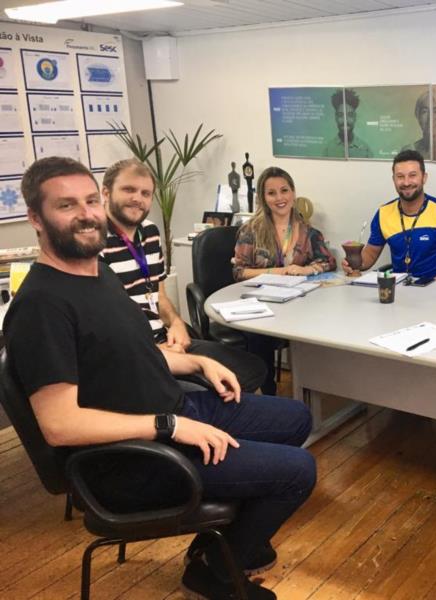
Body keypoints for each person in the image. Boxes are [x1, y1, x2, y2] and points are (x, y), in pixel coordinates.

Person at [4, 156, 316, 600]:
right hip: (135, 459)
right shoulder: (42, 307)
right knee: (298, 471)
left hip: (173, 408)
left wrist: (198, 364)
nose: (87, 213)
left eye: (90, 200)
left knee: (295, 419)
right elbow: (60, 425)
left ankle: (223, 541)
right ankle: (214, 572)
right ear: (36, 218)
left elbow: (131, 354)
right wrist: (169, 427)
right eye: (66, 205)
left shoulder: (99, 273)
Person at [99, 158, 268, 394]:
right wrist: (157, 350)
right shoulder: (91, 244)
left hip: (165, 339)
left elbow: (158, 294)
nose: (137, 198)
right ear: (105, 193)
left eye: (145, 193)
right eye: (128, 190)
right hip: (134, 353)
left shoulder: (149, 232)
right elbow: (104, 323)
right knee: (213, 390)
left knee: (252, 368)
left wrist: (176, 323)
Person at [232, 166, 336, 392]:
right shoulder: (251, 231)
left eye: (284, 190)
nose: (280, 198)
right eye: (272, 193)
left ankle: (314, 388)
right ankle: (266, 392)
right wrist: (276, 272)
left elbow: (329, 262)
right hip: (261, 304)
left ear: (293, 193)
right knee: (259, 335)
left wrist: (306, 270)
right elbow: (239, 272)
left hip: (297, 303)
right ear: (263, 198)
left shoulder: (308, 232)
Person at [342, 149, 436, 281]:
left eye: (412, 175)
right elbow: (370, 254)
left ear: (424, 178)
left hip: (435, 290)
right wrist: (355, 263)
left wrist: (431, 286)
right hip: (398, 291)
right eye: (400, 176)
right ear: (394, 180)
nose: (406, 182)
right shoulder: (383, 213)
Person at [322, 88, 373, 158]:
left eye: (350, 115)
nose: (345, 120)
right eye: (340, 115)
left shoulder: (366, 150)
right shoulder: (327, 150)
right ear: (335, 117)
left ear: (355, 117)